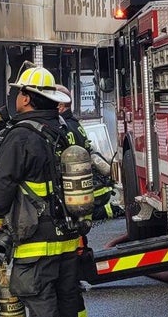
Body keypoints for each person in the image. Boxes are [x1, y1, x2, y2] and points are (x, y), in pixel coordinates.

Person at [0, 66, 86, 317]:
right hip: (68, 234)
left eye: (19, 93)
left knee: (39, 296)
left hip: (36, 235)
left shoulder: (21, 135)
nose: (16, 97)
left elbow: (3, 182)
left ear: (27, 98)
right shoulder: (63, 128)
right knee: (66, 295)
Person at [52, 84, 123, 222]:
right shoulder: (75, 124)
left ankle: (112, 210)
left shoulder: (63, 128)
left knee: (83, 216)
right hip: (95, 186)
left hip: (87, 191)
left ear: (60, 106)